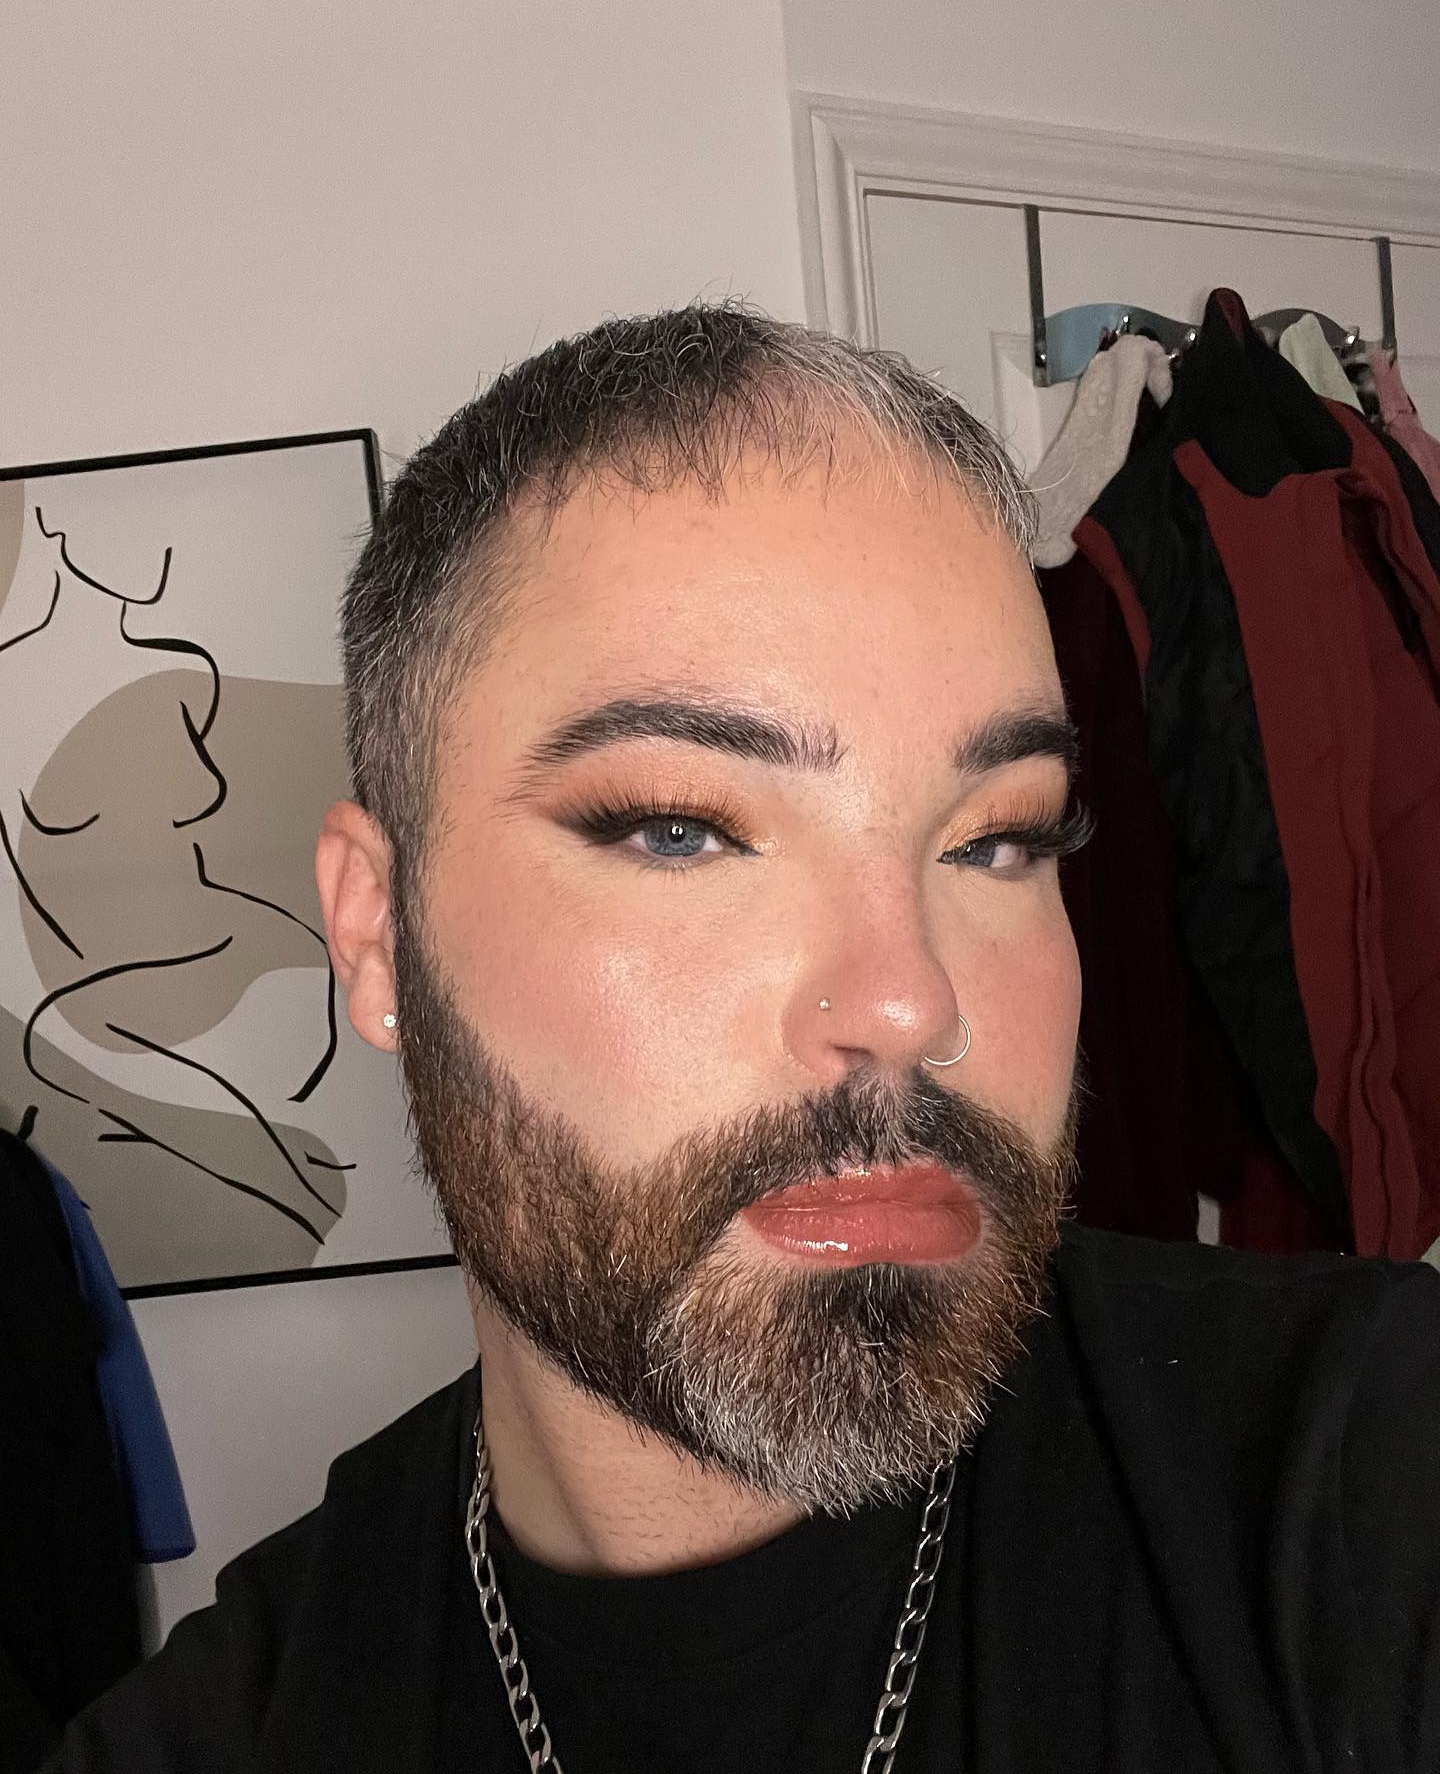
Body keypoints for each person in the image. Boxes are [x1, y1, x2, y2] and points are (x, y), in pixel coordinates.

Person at [42, 306, 1439, 1773]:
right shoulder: (212, 1738)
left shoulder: (1358, 1478)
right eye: (682, 828)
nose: (911, 1003)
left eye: (1001, 839)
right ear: (379, 933)